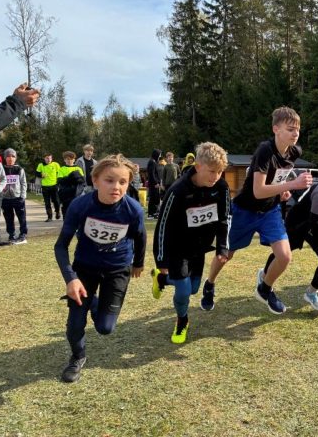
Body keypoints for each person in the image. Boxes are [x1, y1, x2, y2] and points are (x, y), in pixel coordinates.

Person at [204, 106, 313, 315]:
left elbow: (277, 178)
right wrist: (292, 185)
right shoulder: (265, 150)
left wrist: (282, 191)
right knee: (225, 255)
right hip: (244, 210)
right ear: (276, 129)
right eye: (290, 129)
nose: (296, 133)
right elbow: (258, 190)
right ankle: (209, 284)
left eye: (298, 129)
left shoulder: (295, 152)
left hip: (270, 211)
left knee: (285, 256)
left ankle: (265, 288)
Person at [54, 154, 146, 383]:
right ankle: (77, 357)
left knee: (105, 328)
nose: (116, 187)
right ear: (95, 180)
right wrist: (71, 278)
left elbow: (141, 236)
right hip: (85, 268)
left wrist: (138, 263)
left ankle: (93, 302)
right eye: (109, 180)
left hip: (117, 269)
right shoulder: (80, 206)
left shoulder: (133, 209)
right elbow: (61, 246)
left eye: (123, 182)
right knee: (75, 323)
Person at [152, 142, 230, 343]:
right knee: (184, 291)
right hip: (177, 248)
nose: (216, 177)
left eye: (220, 172)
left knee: (193, 288)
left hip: (199, 248)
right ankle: (182, 320)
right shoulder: (177, 190)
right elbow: (162, 226)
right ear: (198, 166)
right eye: (212, 171)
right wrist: (161, 260)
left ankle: (161, 280)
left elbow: (224, 219)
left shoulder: (221, 187)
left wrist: (222, 246)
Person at [257, 163, 318, 312]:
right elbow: (314, 223)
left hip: (311, 222)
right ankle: (264, 274)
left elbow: (315, 220)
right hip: (297, 224)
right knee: (282, 253)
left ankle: (311, 293)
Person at [1, 148, 28, 244]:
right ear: (5, 158)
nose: (10, 158)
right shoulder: (1, 169)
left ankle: (23, 235)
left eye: (13, 156)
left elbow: (23, 183)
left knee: (22, 218)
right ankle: (11, 235)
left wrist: (22, 196)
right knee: (8, 218)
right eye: (8, 156)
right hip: (5, 198)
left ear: (15, 158)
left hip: (18, 198)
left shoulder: (19, 169)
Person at [57, 151, 85, 218]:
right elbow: (60, 181)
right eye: (68, 159)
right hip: (65, 193)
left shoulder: (78, 168)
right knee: (66, 209)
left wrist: (70, 179)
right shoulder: (61, 169)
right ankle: (66, 221)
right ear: (64, 160)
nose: (69, 161)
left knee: (76, 209)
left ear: (74, 160)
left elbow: (82, 180)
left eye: (71, 159)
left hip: (76, 193)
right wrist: (71, 177)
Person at [37, 152, 61, 222]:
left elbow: (59, 174)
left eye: (50, 158)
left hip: (54, 185)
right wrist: (41, 175)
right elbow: (37, 173)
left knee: (56, 201)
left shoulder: (56, 164)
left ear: (52, 158)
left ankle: (57, 211)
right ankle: (49, 217)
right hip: (45, 186)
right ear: (44, 158)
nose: (48, 159)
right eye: (47, 158)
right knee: (47, 203)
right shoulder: (41, 165)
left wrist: (59, 183)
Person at [146, 149, 162, 219]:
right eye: (159, 154)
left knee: (154, 198)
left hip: (153, 184)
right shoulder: (152, 162)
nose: (160, 156)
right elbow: (152, 174)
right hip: (153, 184)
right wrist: (156, 182)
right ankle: (152, 214)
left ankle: (153, 213)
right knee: (153, 198)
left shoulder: (153, 161)